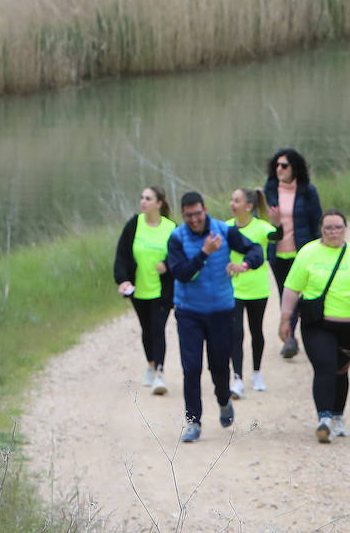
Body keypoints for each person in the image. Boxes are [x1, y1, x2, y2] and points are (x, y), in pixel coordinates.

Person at [165, 191, 266, 443]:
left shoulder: (224, 230)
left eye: (198, 214)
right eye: (189, 216)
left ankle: (223, 402)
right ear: (182, 215)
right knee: (191, 367)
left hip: (221, 310)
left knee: (219, 365)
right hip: (189, 311)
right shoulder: (176, 238)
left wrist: (244, 265)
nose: (195, 220)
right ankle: (193, 422)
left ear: (205, 209)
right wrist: (205, 253)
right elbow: (181, 273)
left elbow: (255, 250)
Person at [277, 209, 350, 443]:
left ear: (345, 229)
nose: (333, 232)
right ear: (321, 229)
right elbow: (292, 289)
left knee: (341, 370)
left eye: (338, 227)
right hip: (317, 323)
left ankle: (338, 416)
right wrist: (285, 319)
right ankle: (324, 419)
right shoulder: (308, 253)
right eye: (328, 228)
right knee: (325, 366)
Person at [112, 185, 175, 396]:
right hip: (138, 289)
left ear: (159, 203)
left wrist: (167, 265)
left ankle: (159, 373)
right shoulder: (134, 224)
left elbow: (180, 256)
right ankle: (150, 364)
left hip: (162, 291)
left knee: (158, 329)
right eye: (142, 198)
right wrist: (121, 280)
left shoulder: (170, 227)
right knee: (146, 329)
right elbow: (122, 254)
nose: (143, 202)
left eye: (148, 198)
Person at [263, 147, 322, 359]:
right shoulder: (269, 190)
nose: (279, 169)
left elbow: (317, 221)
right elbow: (261, 223)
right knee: (284, 294)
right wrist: (273, 223)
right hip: (277, 252)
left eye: (284, 165)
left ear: (294, 168)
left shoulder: (307, 190)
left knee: (301, 295)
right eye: (276, 165)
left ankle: (302, 336)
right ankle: (290, 338)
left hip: (302, 252)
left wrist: (319, 249)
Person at [227, 187, 278, 396]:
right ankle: (237, 378)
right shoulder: (227, 227)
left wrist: (279, 223)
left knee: (256, 331)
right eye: (231, 199)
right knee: (235, 334)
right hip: (233, 290)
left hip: (257, 290)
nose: (232, 203)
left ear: (249, 206)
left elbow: (277, 236)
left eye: (236, 200)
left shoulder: (262, 227)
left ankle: (257, 373)